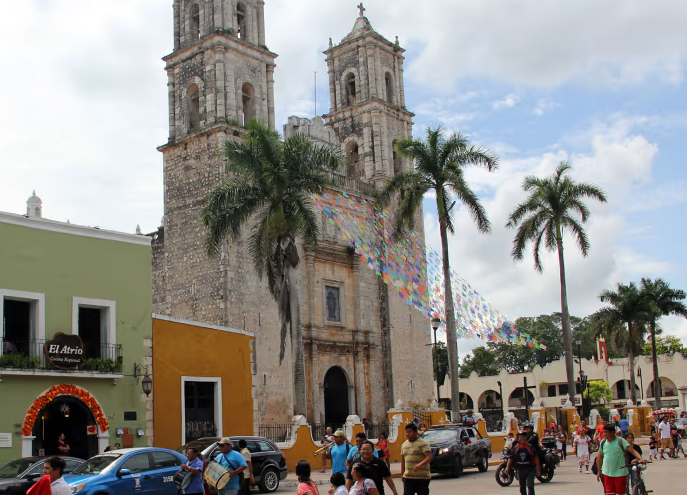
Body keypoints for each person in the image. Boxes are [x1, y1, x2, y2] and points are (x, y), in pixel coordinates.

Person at [595, 424, 644, 495]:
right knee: (609, 493)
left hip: (620, 473)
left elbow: (632, 451)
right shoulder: (603, 442)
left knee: (620, 493)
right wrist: (599, 471)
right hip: (606, 473)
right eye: (603, 432)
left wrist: (640, 459)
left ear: (612, 432)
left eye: (606, 432)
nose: (604, 434)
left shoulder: (621, 441)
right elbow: (599, 457)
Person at [400, 423, 432, 495]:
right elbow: (403, 460)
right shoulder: (404, 444)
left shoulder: (423, 443)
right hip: (408, 477)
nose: (407, 434)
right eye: (406, 432)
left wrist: (419, 465)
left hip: (422, 478)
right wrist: (402, 474)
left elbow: (429, 457)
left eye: (410, 432)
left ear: (415, 432)